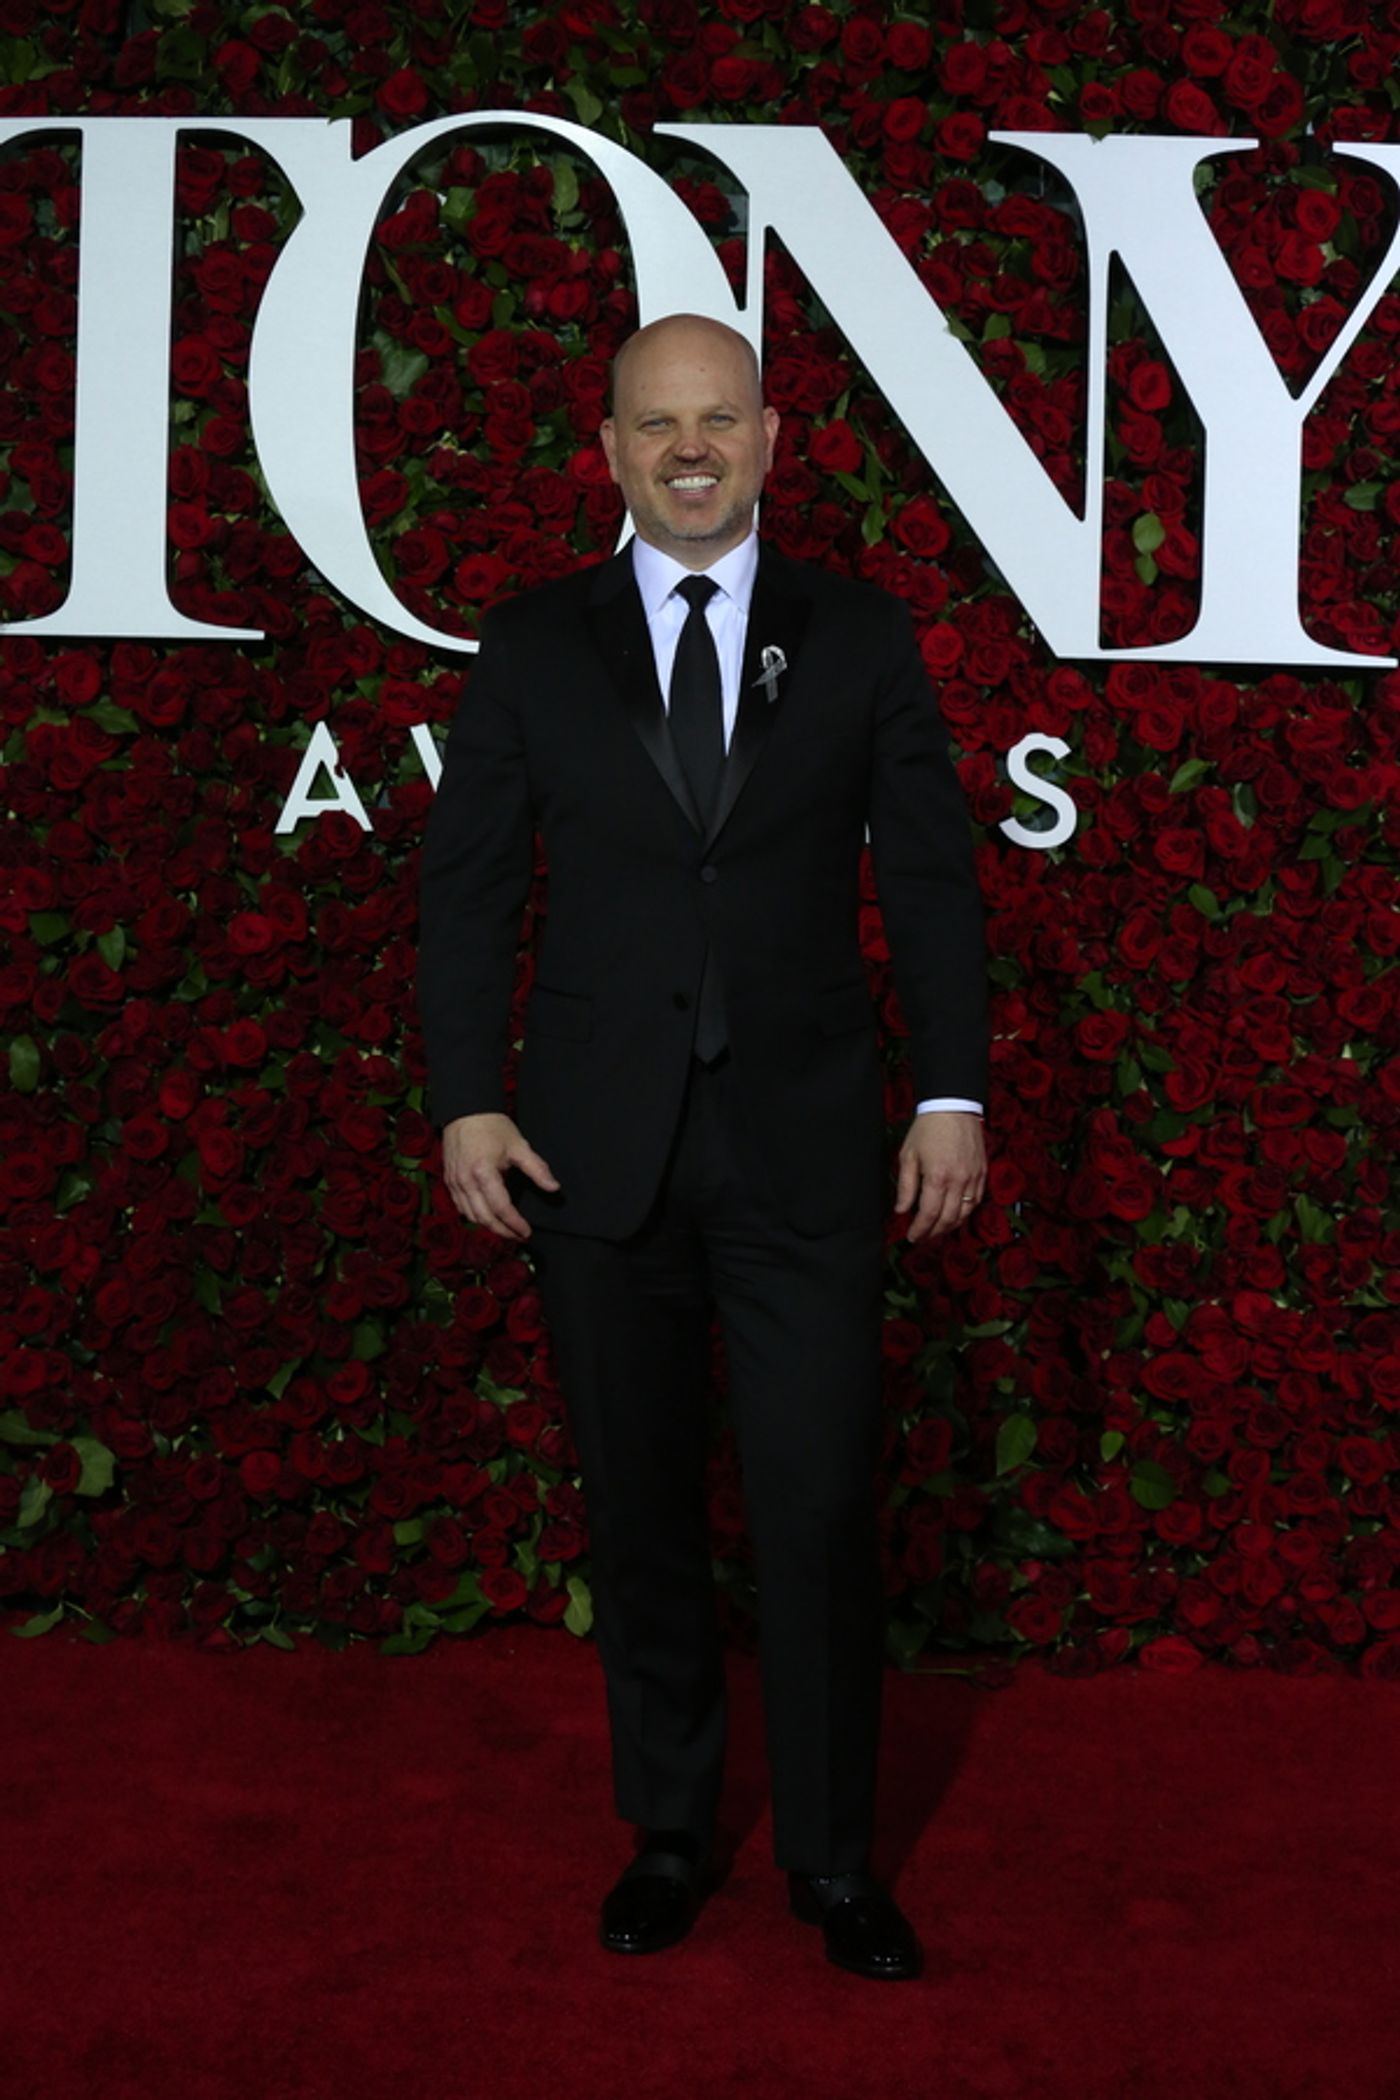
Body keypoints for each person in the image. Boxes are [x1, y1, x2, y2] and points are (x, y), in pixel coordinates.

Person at [416, 312, 988, 1981]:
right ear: (605, 447)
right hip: (593, 1156)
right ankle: (671, 1833)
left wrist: (950, 1092)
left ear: (769, 439)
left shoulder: (862, 636)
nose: (689, 449)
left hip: (811, 1155)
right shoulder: (532, 644)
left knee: (815, 1513)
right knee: (640, 1508)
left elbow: (933, 882)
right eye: (657, 423)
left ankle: (830, 1863)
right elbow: (469, 888)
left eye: (718, 420)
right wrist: (467, 1095)